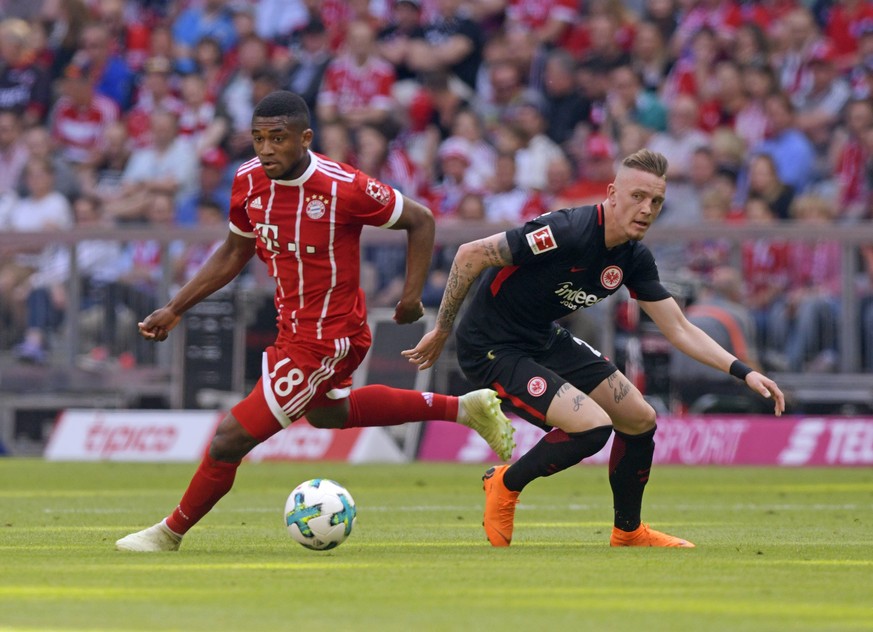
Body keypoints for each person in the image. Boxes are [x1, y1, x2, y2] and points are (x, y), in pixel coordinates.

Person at [115, 90, 515, 552]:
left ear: (305, 138)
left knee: (228, 439)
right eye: (258, 138)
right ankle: (464, 408)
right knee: (329, 413)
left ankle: (169, 534)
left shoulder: (343, 186)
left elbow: (421, 220)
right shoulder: (247, 180)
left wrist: (410, 297)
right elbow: (232, 253)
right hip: (293, 332)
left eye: (278, 139)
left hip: (330, 338)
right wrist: (176, 307)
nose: (266, 149)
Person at [403, 149, 785, 548]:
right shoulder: (568, 229)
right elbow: (471, 254)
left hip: (541, 338)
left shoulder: (634, 257)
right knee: (593, 426)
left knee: (639, 417)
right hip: (491, 346)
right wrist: (442, 329)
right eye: (637, 196)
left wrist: (745, 371)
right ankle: (505, 482)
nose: (646, 209)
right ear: (612, 193)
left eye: (655, 201)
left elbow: (679, 328)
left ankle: (628, 531)